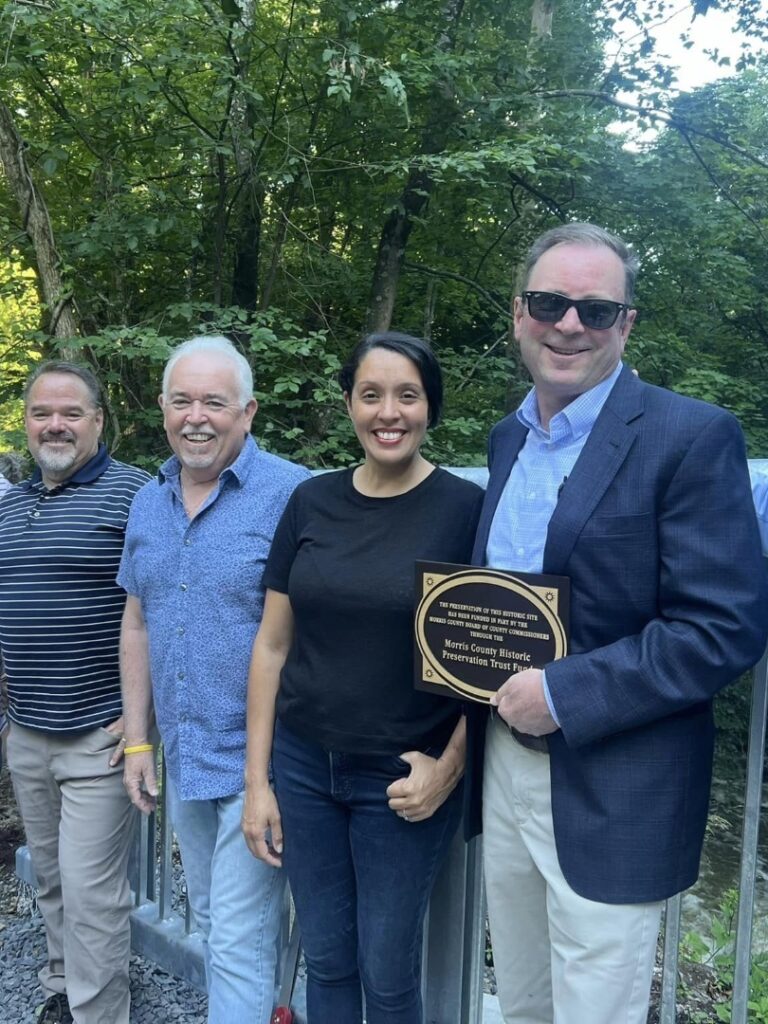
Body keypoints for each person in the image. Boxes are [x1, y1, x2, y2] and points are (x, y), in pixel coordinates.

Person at [466, 223, 768, 1024]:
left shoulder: (692, 437)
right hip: (503, 764)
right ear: (518, 313)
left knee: (597, 1007)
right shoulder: (507, 440)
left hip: (615, 781)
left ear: (626, 324)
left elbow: (722, 627)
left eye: (595, 310)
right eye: (549, 303)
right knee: (523, 995)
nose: (569, 324)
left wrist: (563, 694)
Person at [242, 331, 484, 1024]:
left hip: (403, 777)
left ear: (430, 408)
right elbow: (271, 646)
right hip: (304, 766)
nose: (389, 412)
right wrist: (259, 783)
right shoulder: (311, 503)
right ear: (349, 403)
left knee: (387, 971)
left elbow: (493, 661)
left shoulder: (464, 511)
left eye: (407, 395)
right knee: (327, 958)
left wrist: (449, 767)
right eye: (371, 394)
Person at [118, 335, 310, 1024]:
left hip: (267, 762)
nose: (196, 416)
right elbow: (137, 621)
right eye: (181, 400)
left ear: (249, 412)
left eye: (215, 402)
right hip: (187, 754)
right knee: (221, 924)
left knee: (232, 935)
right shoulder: (149, 500)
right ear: (164, 409)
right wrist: (139, 741)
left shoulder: (295, 495)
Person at [0, 361, 150, 1024]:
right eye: (41, 413)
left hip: (101, 734)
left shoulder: (136, 496)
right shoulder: (9, 507)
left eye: (70, 413)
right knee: (53, 881)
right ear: (27, 422)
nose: (54, 425)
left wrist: (142, 719)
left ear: (98, 420)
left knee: (93, 894)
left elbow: (161, 609)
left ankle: (99, 1014)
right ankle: (65, 988)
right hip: (26, 730)